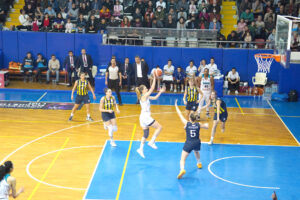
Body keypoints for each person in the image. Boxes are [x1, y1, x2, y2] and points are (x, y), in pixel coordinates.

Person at [174, 100, 208, 179]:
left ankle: (182, 169)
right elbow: (206, 126)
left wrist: (176, 105)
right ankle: (199, 163)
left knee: (182, 159)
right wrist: (206, 124)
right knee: (196, 151)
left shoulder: (187, 124)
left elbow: (179, 114)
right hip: (197, 142)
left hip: (189, 143)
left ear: (189, 118)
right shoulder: (198, 124)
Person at [135, 75, 165, 158]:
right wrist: (155, 78)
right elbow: (152, 89)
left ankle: (140, 149)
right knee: (159, 127)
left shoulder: (145, 96)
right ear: (143, 91)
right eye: (145, 88)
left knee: (146, 133)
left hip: (142, 117)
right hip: (145, 117)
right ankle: (152, 142)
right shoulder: (144, 96)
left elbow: (155, 98)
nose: (146, 88)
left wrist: (160, 92)